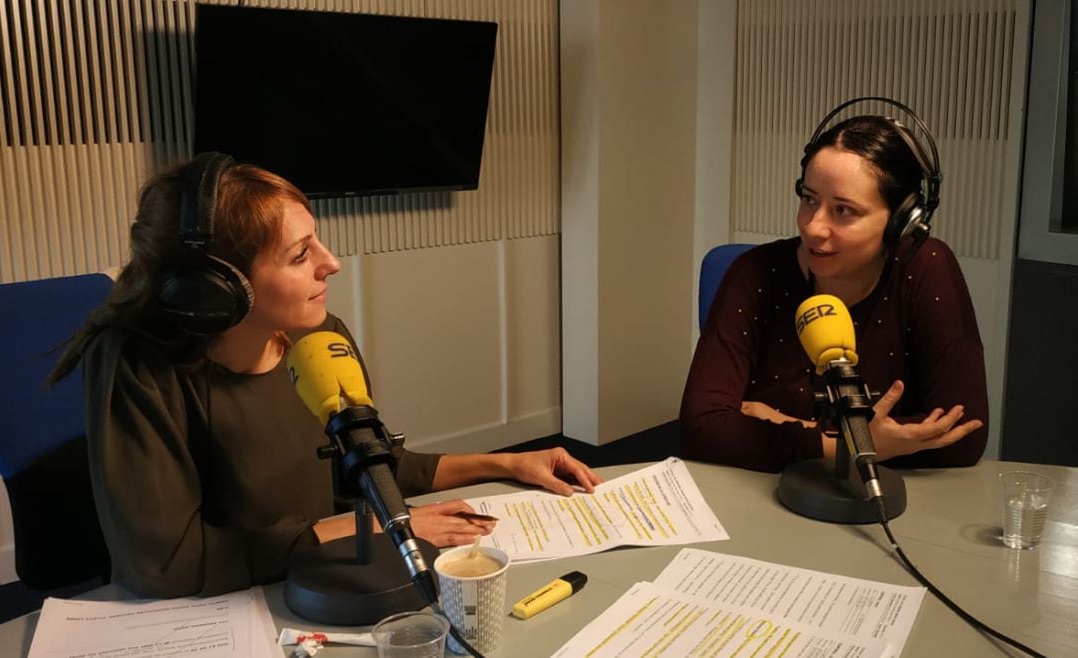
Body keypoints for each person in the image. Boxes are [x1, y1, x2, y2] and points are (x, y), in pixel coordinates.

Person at [48, 154, 601, 598]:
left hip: (313, 580)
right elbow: (165, 566)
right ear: (217, 287)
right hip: (221, 608)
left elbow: (365, 461)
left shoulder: (317, 337)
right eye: (298, 255)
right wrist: (387, 527)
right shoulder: (136, 365)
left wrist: (506, 461)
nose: (331, 262)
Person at [680, 108, 987, 473]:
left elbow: (961, 436)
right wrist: (865, 442)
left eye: (843, 210)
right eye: (809, 199)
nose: (814, 227)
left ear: (901, 221)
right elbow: (701, 428)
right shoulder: (754, 273)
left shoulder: (926, 269)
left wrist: (781, 425)